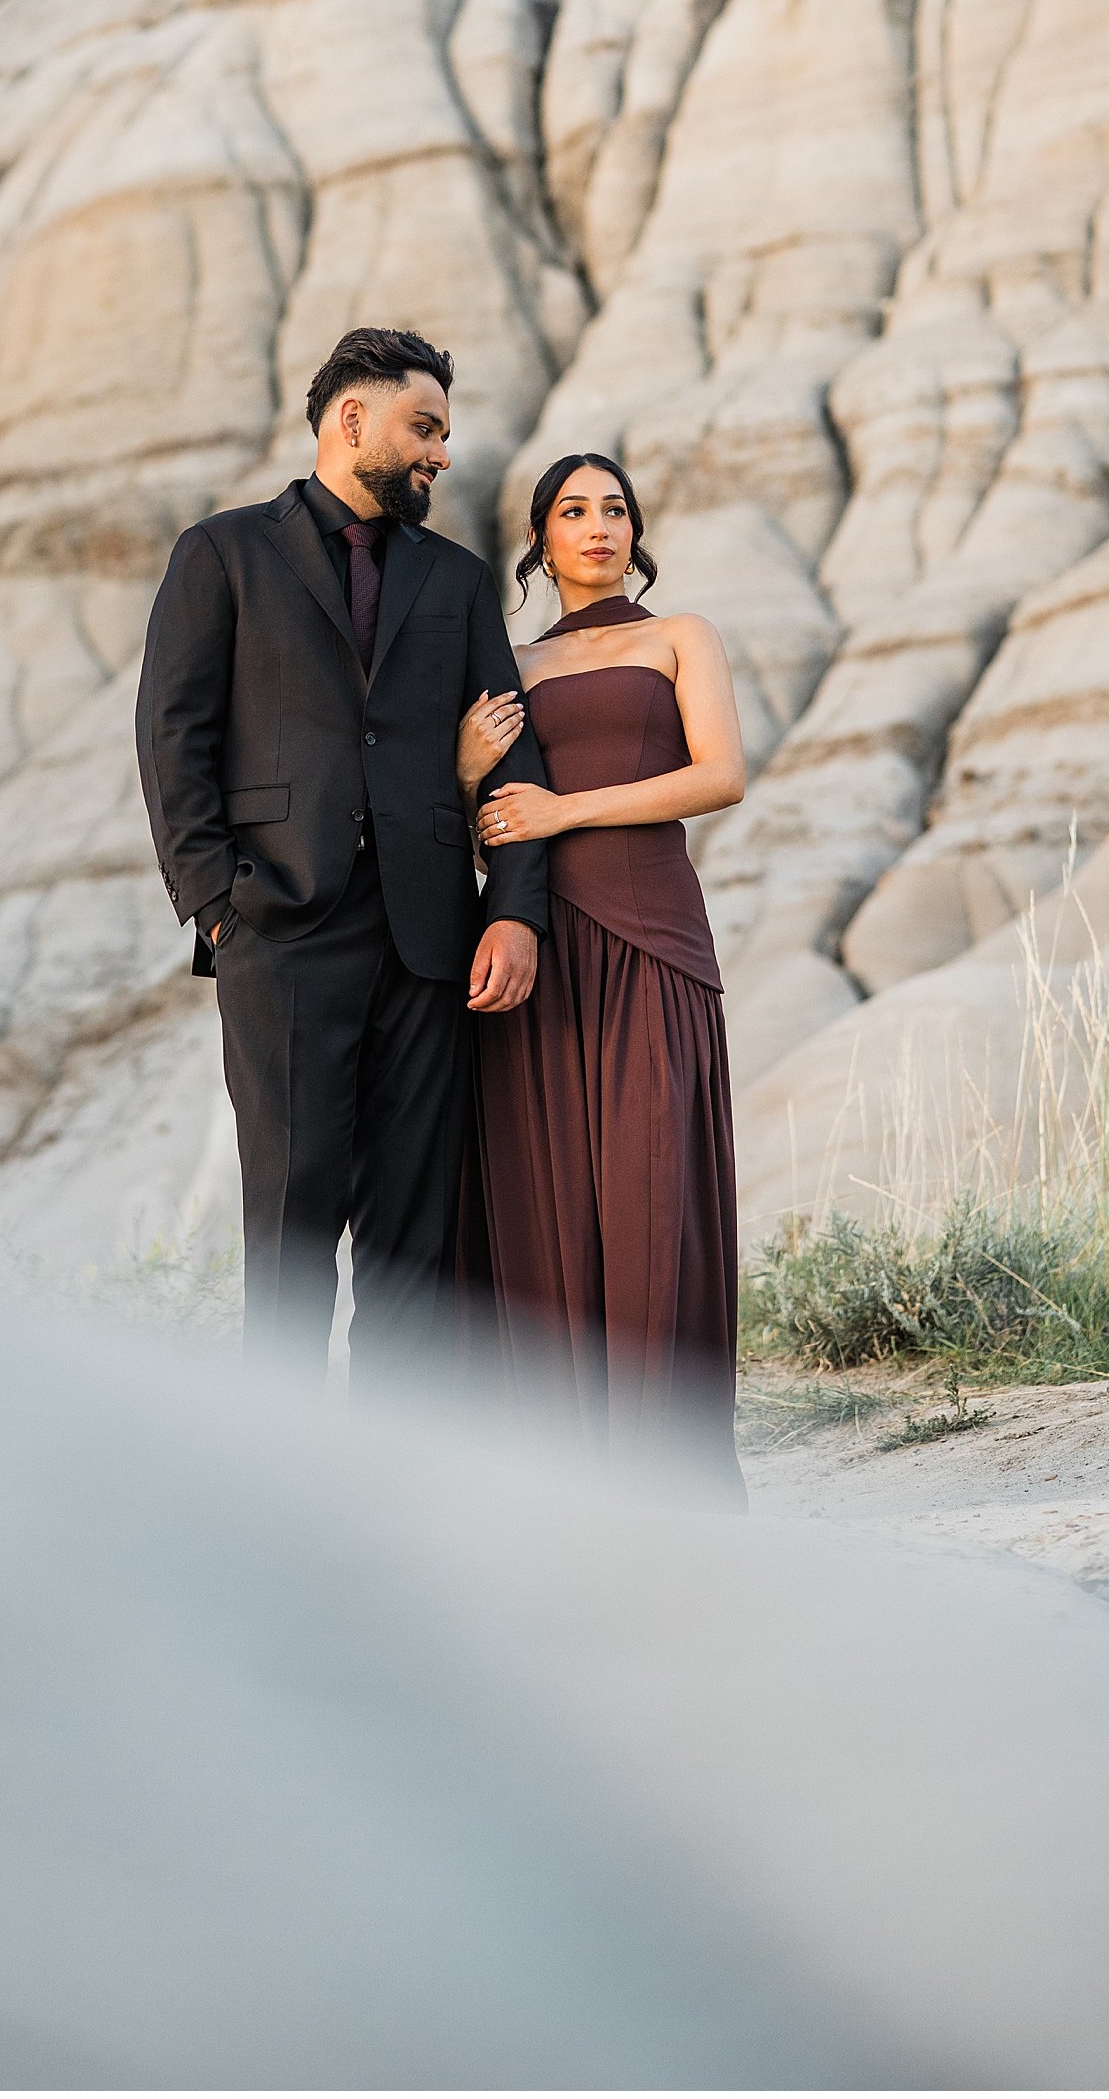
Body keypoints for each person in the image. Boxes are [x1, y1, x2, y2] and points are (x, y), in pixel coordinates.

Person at [135, 327, 549, 1386]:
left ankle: (392, 1489)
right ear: (350, 421)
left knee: (412, 1233)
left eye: (447, 435)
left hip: (428, 942)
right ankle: (283, 1490)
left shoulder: (454, 581)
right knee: (288, 1215)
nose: (442, 455)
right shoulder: (222, 552)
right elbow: (170, 735)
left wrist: (513, 910)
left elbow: (510, 752)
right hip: (277, 930)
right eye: (425, 428)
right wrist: (217, 901)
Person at [456, 454, 748, 1501]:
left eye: (614, 509)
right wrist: (459, 777)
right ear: (539, 538)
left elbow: (720, 775)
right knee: (546, 1201)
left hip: (653, 938)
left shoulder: (679, 636)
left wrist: (563, 811)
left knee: (648, 1190)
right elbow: (482, 823)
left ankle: (668, 1477)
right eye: (572, 511)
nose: (596, 526)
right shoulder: (509, 666)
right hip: (535, 946)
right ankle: (567, 1483)